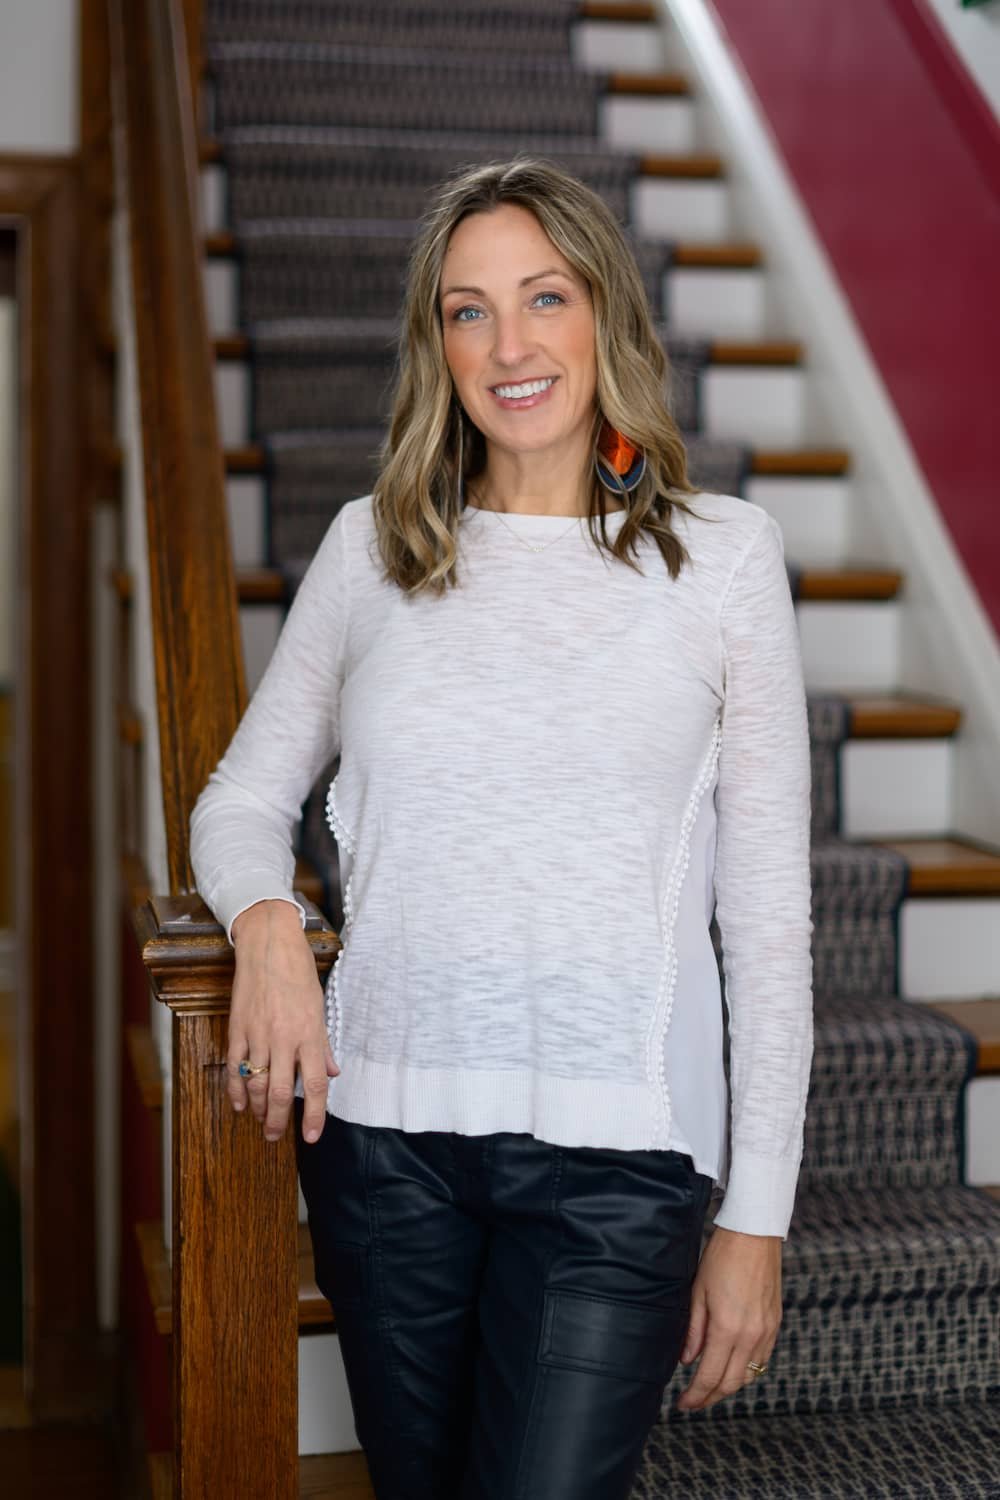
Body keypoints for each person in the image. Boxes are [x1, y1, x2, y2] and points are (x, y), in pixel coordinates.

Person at [189, 156, 814, 1500]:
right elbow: (242, 800)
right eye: (468, 310)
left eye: (545, 297)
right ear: (438, 346)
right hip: (382, 1149)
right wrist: (274, 924)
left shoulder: (723, 560)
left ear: (609, 318)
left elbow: (766, 920)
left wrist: (754, 1216)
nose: (510, 344)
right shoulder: (375, 551)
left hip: (618, 1166)